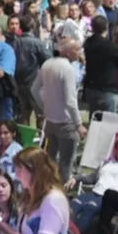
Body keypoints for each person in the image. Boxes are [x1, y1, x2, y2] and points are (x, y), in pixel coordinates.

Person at [32, 38, 86, 182]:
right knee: (65, 163)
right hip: (66, 122)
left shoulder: (47, 64)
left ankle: (47, 189)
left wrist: (45, 106)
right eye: (77, 49)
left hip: (50, 121)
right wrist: (79, 124)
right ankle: (62, 193)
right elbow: (70, 100)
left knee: (50, 160)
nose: (79, 52)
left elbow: (34, 89)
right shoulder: (68, 69)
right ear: (68, 53)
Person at [67, 137, 118, 234]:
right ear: (116, 150)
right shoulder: (106, 163)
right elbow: (91, 178)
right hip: (94, 192)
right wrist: (75, 178)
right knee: (73, 205)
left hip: (110, 198)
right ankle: (62, 232)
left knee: (90, 207)